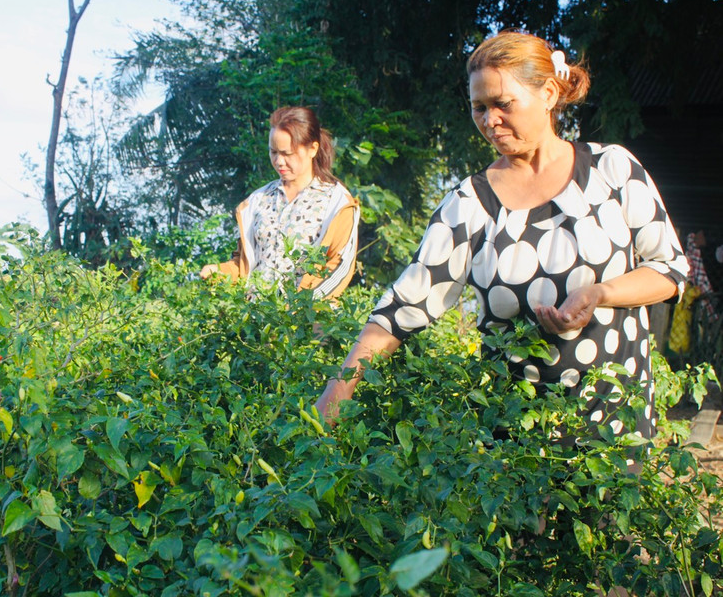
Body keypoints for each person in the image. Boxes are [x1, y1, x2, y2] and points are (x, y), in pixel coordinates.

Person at [315, 31, 689, 448]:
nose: (490, 120)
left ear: (548, 93)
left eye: (502, 104)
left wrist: (602, 293)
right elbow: (405, 304)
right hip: (515, 444)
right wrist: (340, 388)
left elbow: (669, 269)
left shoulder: (613, 170)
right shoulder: (469, 204)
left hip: (615, 427)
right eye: (479, 107)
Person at [199, 106, 360, 300]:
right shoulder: (257, 201)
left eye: (287, 154)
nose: (279, 161)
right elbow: (244, 265)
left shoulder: (336, 202)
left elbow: (339, 267)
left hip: (306, 323)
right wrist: (219, 272)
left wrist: (302, 306)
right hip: (256, 321)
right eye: (273, 152)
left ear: (312, 149)